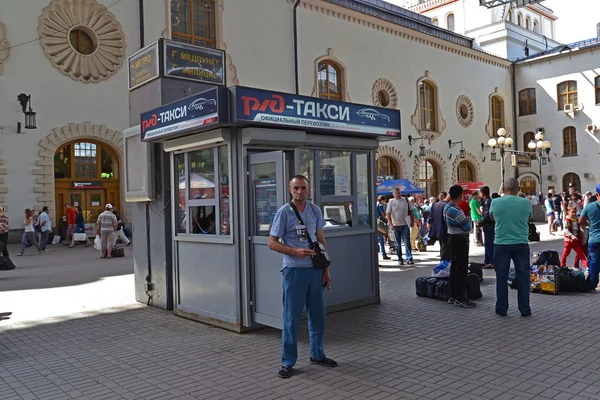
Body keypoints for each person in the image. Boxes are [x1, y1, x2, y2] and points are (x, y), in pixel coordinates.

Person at [268, 175, 336, 379]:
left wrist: (326, 268)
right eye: (296, 188)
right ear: (290, 190)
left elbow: (320, 239)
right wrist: (293, 251)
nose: (300, 191)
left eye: (303, 188)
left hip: (315, 270)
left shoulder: (314, 210)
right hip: (294, 271)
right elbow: (272, 243)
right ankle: (288, 362)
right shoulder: (284, 213)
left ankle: (317, 354)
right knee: (291, 318)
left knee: (318, 317)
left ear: (308, 189)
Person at [490, 178, 533, 317]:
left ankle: (502, 308)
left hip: (501, 243)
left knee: (501, 277)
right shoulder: (526, 203)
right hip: (521, 243)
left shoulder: (495, 202)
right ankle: (525, 309)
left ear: (503, 189)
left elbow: (492, 217)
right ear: (519, 188)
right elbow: (529, 218)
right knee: (523, 276)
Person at [444, 185, 474, 308]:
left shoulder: (446, 207)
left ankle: (452, 296)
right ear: (460, 195)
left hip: (451, 237)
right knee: (461, 269)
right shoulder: (456, 210)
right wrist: (467, 220)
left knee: (454, 268)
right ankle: (461, 298)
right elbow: (468, 227)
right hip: (459, 239)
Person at [386, 187, 415, 266]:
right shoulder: (391, 202)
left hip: (405, 224)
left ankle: (409, 258)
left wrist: (412, 221)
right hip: (395, 226)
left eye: (399, 193)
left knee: (407, 242)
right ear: (393, 194)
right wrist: (391, 224)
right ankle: (400, 259)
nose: (398, 194)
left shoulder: (406, 200)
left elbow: (411, 211)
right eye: (396, 193)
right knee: (397, 244)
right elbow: (388, 214)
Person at [579, 184, 600, 291]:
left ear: (597, 194)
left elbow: (580, 221)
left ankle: (591, 285)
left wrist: (589, 224)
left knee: (594, 263)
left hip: (595, 239)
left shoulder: (589, 207)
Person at [428, 191, 450, 261]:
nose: (440, 197)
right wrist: (429, 222)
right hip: (441, 228)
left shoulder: (439, 204)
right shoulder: (436, 204)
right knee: (444, 244)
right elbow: (431, 215)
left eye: (442, 195)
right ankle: (443, 258)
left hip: (441, 227)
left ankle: (443, 257)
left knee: (444, 244)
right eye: (439, 195)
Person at [480, 186, 495, 268]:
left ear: (482, 193)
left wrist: (481, 223)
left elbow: (487, 215)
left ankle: (491, 262)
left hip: (488, 226)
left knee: (489, 244)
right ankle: (487, 261)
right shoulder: (488, 201)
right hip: (489, 226)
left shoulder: (487, 202)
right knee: (487, 244)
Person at [376, 196, 390, 260]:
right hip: (380, 223)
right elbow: (383, 215)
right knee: (381, 239)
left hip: (376, 223)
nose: (385, 202)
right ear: (382, 200)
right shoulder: (380, 205)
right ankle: (384, 254)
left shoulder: (375, 204)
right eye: (384, 201)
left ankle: (383, 253)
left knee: (379, 239)